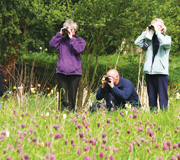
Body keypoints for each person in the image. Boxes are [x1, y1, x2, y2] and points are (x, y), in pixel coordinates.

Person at [49, 19, 86, 111]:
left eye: (71, 29)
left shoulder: (80, 41)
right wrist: (60, 33)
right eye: (67, 29)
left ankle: (71, 112)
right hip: (62, 71)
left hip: (75, 72)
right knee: (62, 94)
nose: (69, 31)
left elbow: (78, 49)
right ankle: (61, 113)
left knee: (72, 95)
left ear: (75, 30)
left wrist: (72, 38)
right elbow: (52, 44)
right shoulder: (61, 40)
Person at [135, 18, 171, 111]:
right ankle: (153, 116)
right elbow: (137, 42)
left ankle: (164, 116)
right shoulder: (149, 41)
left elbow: (164, 43)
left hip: (161, 73)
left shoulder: (167, 38)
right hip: (149, 72)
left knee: (163, 97)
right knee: (151, 97)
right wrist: (146, 32)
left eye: (156, 25)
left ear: (161, 27)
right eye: (152, 25)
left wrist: (158, 32)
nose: (153, 28)